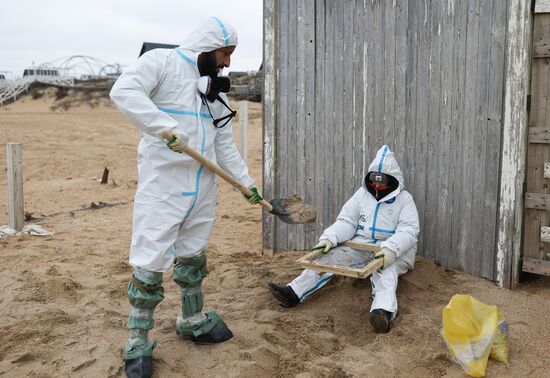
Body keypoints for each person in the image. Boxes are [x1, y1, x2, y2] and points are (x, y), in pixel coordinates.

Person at [110, 17, 262, 378]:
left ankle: (192, 320)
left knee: (193, 258)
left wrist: (245, 182)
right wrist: (165, 127)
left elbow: (223, 143)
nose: (227, 62)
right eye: (226, 53)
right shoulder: (161, 63)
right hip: (162, 190)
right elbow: (123, 92)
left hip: (202, 191)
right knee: (150, 265)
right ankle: (137, 342)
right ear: (209, 45)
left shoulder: (214, 89)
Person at [268, 145, 419, 333]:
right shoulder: (362, 195)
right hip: (360, 245)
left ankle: (383, 312)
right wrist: (330, 238)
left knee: (385, 272)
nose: (378, 185)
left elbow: (409, 231)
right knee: (326, 259)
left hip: (393, 250)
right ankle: (293, 293)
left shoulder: (405, 200)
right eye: (374, 180)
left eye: (382, 181)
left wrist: (390, 249)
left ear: (393, 180)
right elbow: (347, 221)